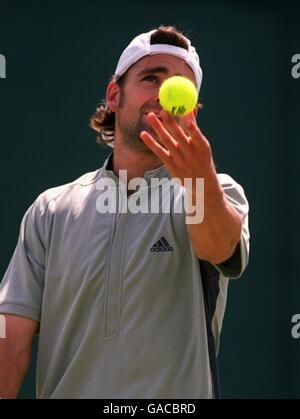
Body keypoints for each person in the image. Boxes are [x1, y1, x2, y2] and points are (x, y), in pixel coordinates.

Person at [0, 25, 250, 399]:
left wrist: (199, 180)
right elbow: (10, 340)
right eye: (152, 78)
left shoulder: (217, 190)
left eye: (181, 85)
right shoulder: (50, 210)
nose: (165, 94)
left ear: (192, 111)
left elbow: (222, 250)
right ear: (115, 95)